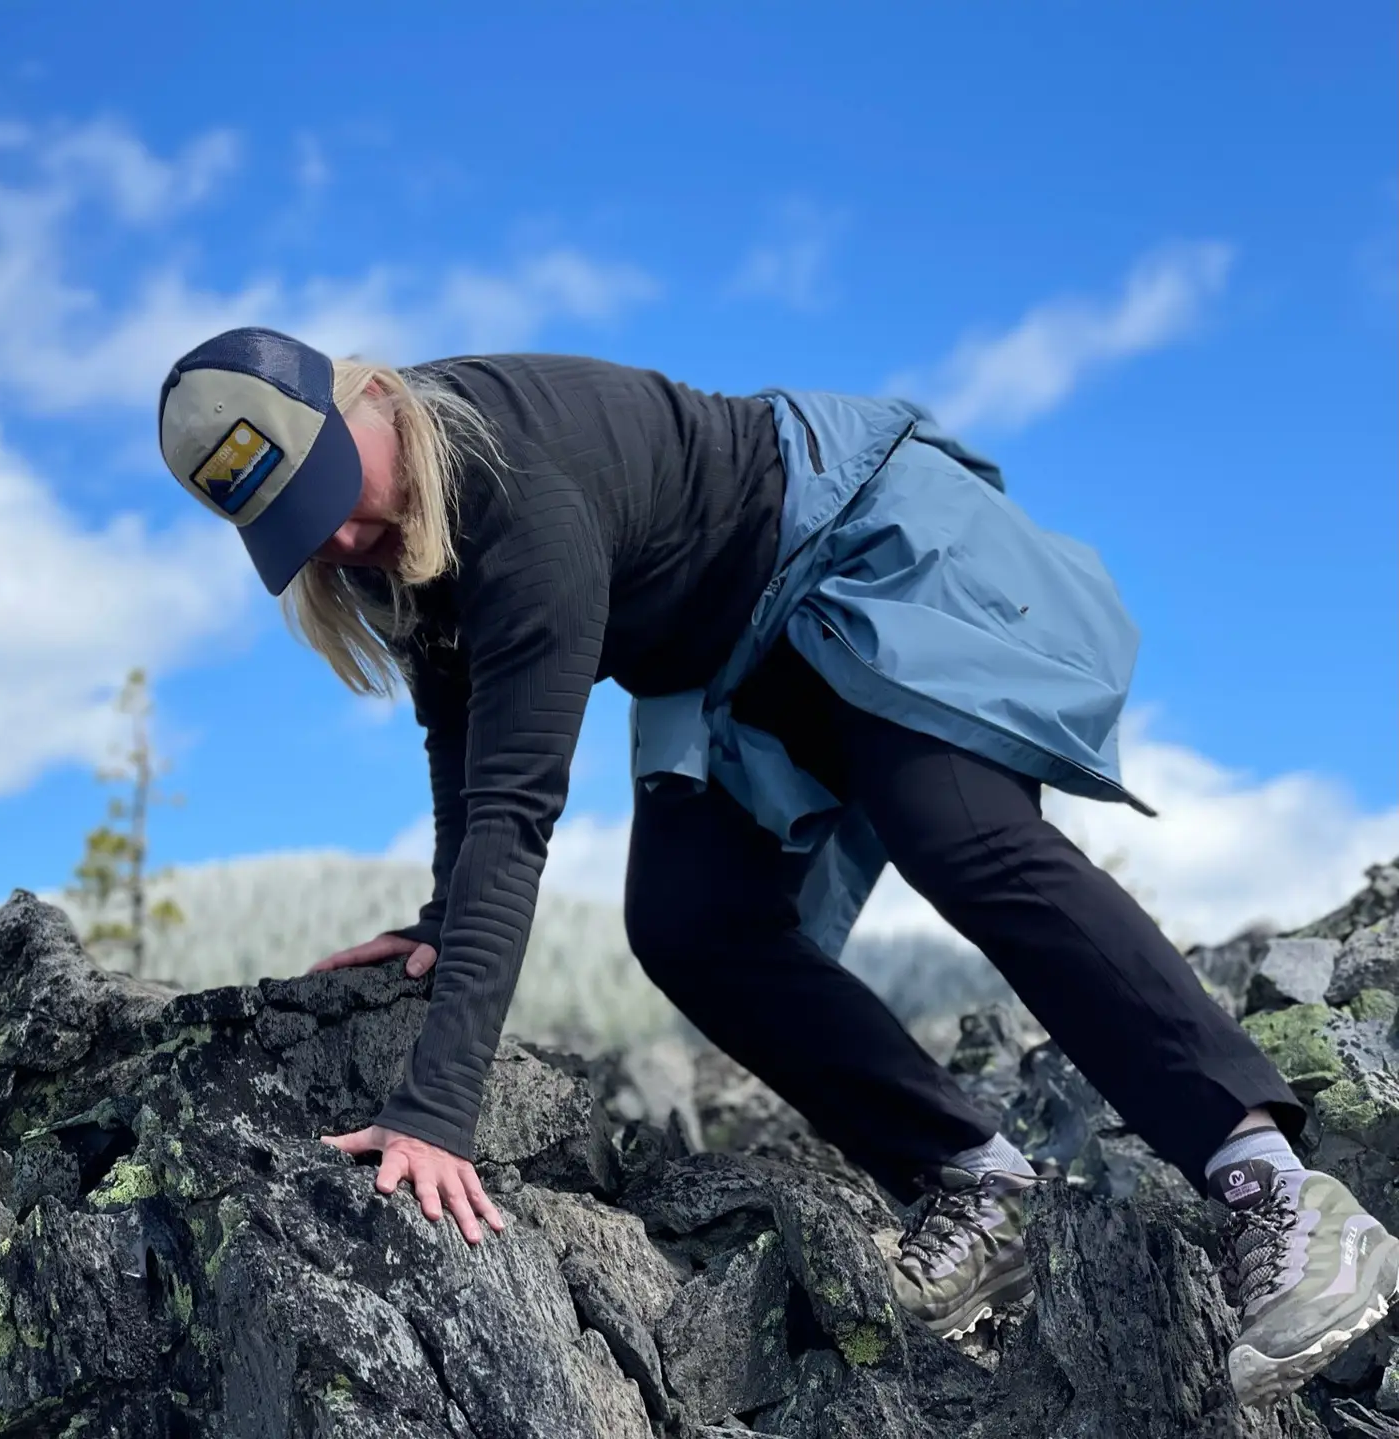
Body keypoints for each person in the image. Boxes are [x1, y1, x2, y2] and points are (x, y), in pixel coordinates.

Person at [156, 325, 1397, 1409]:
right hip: (735, 662)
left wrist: (436, 1114)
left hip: (859, 546)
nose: (355, 534)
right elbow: (458, 726)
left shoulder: (513, 493)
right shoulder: (402, 543)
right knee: (689, 922)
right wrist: (438, 920)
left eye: (346, 491)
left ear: (366, 397)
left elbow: (515, 808)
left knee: (954, 827)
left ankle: (1278, 1194)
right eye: (314, 533)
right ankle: (977, 1182)